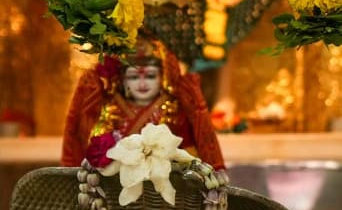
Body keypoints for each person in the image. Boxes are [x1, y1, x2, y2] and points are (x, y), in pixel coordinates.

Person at [59, 35, 226, 170]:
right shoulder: (109, 106)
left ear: (163, 77)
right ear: (122, 79)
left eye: (150, 76)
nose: (142, 83)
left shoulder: (175, 108)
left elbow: (192, 151)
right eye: (133, 76)